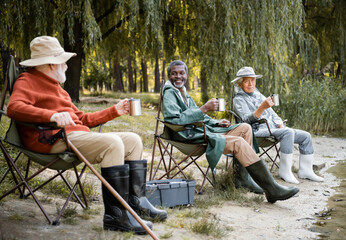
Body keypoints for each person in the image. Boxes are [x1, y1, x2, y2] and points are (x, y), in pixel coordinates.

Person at [6, 36, 167, 234]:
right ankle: (116, 217)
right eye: (63, 61)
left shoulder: (59, 89)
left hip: (72, 136)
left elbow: (82, 118)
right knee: (113, 143)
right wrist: (52, 115)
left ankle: (137, 203)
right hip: (52, 140)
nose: (66, 65)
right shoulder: (27, 80)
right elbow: (14, 108)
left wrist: (115, 110)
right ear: (50, 64)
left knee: (133, 140)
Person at [161, 60, 299, 203]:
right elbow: (174, 120)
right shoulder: (170, 93)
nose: (178, 76)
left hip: (199, 130)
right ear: (169, 76)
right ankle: (272, 189)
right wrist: (204, 108)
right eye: (174, 73)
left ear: (187, 75)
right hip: (187, 135)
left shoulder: (182, 91)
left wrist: (217, 122)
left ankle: (242, 179)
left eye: (181, 73)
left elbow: (198, 115)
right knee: (238, 142)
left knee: (245, 128)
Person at [232, 66, 324, 184]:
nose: (250, 83)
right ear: (240, 84)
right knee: (288, 133)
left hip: (273, 128)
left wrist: (280, 124)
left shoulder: (259, 95)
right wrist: (261, 108)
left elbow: (273, 114)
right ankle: (285, 171)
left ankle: (306, 171)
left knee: (306, 136)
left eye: (253, 80)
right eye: (246, 81)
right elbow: (246, 121)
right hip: (256, 131)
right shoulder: (238, 99)